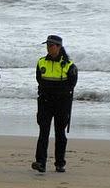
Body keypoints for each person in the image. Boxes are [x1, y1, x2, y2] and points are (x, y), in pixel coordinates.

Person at [31, 35, 78, 173]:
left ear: (59, 47)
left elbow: (72, 84)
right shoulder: (41, 62)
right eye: (48, 45)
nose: (49, 48)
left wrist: (60, 93)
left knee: (60, 133)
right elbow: (39, 79)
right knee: (43, 132)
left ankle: (60, 163)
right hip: (45, 102)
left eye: (51, 45)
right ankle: (40, 162)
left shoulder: (69, 65)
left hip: (62, 103)